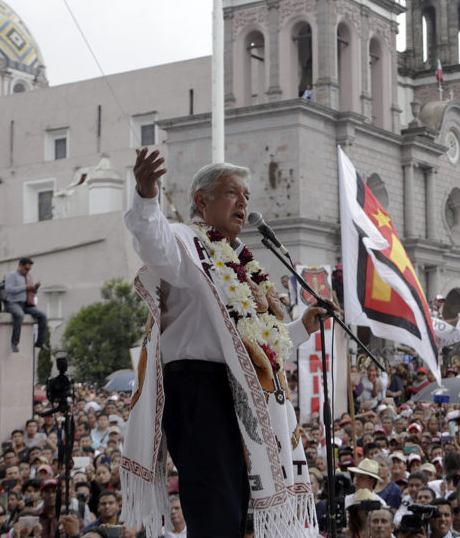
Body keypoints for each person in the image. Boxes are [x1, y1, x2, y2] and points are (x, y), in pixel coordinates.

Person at [122, 149, 325, 537]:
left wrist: (302, 328)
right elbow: (152, 242)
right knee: (215, 509)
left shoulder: (239, 262)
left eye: (247, 197)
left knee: (233, 507)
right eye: (234, 193)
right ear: (202, 200)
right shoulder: (185, 241)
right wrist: (147, 196)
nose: (244, 203)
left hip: (237, 391)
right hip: (196, 387)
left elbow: (260, 347)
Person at [3, 258, 47, 352]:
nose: (27, 271)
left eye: (29, 269)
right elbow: (9, 289)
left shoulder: (28, 276)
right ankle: (14, 343)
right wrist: (25, 287)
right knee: (19, 315)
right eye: (26, 269)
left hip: (26, 304)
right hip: (13, 303)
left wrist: (35, 288)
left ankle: (40, 342)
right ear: (20, 266)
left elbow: (31, 291)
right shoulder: (12, 275)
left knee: (43, 315)